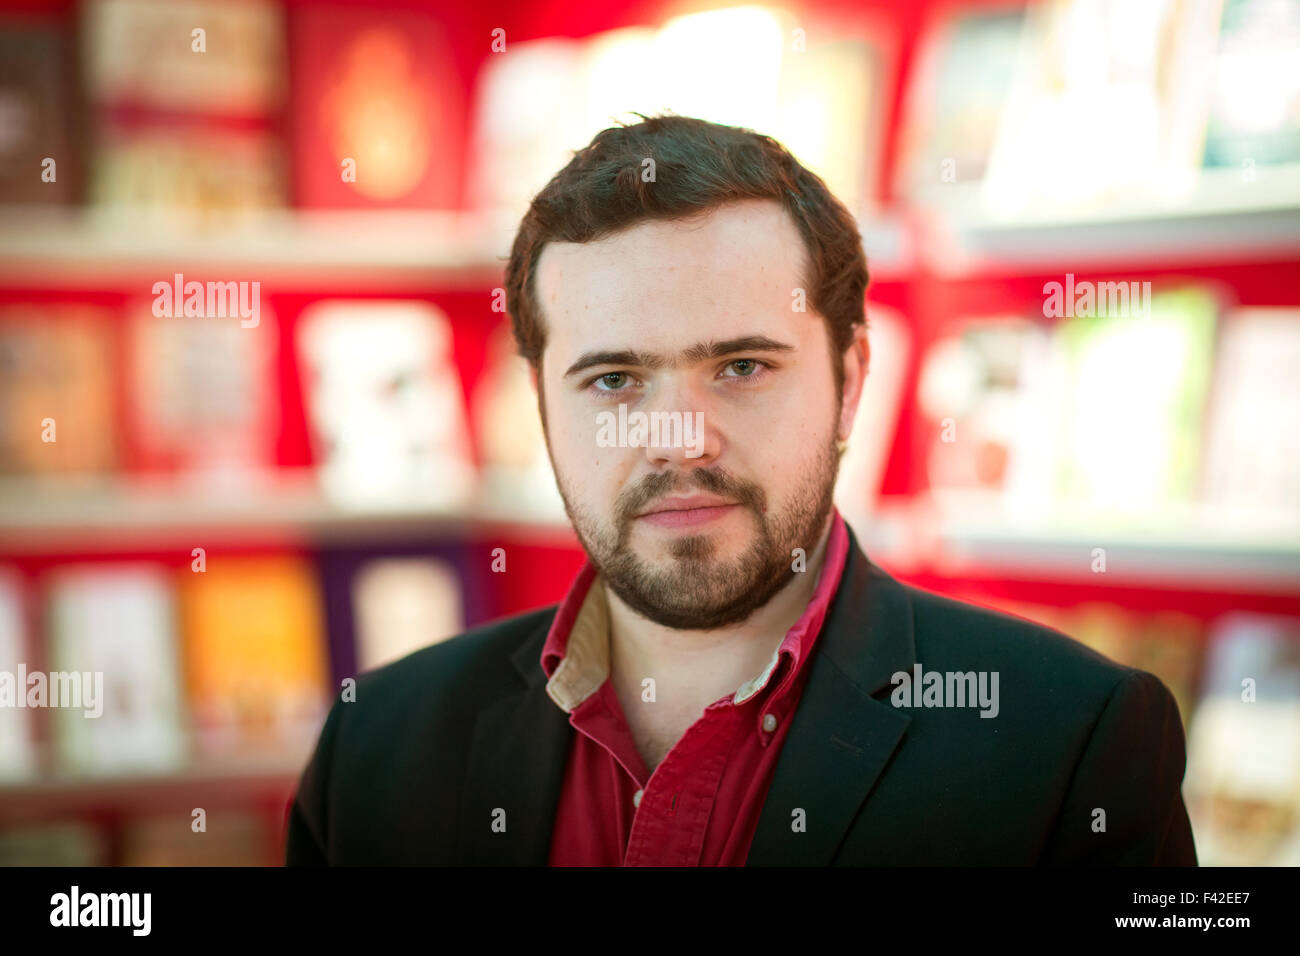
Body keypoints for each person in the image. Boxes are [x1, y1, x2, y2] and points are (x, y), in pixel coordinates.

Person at [286, 113, 1197, 866]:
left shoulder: (1071, 743)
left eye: (742, 366)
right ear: (539, 403)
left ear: (851, 380)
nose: (680, 440)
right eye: (614, 381)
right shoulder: (376, 748)